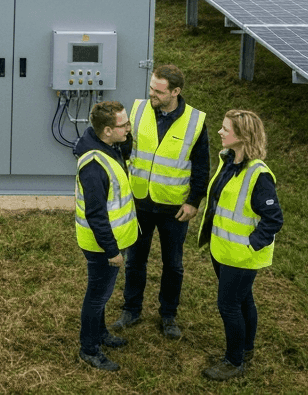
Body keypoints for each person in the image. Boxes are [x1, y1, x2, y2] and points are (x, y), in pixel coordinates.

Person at [111, 64, 210, 340]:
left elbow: (201, 166)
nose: (151, 93)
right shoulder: (138, 109)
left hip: (173, 208)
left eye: (159, 91)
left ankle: (168, 315)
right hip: (140, 202)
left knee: (173, 265)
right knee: (134, 261)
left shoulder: (195, 122)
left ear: (175, 92)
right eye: (151, 87)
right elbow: (125, 148)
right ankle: (131, 310)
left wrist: (193, 202)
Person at [198, 109, 283, 381]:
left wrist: (250, 246)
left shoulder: (259, 175)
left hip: (240, 256)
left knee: (228, 306)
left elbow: (273, 219)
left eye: (226, 129)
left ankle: (234, 361)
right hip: (223, 250)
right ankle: (246, 349)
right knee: (243, 300)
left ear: (243, 136)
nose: (220, 132)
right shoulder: (228, 161)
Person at [74, 100, 137, 372]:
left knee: (101, 293)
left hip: (110, 241)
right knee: (97, 296)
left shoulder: (108, 147)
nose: (129, 129)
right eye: (124, 125)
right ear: (107, 131)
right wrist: (112, 250)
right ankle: (89, 349)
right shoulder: (94, 166)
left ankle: (100, 333)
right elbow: (96, 214)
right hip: (102, 246)